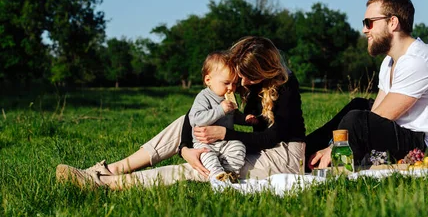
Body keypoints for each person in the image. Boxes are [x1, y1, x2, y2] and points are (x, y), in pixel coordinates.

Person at [56, 36, 306, 189]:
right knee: (185, 124)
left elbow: (272, 138)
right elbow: (194, 114)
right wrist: (186, 148)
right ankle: (112, 169)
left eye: (248, 77)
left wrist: (225, 134)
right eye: (239, 75)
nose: (241, 82)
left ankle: (108, 184)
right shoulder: (239, 78)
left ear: (265, 71)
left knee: (206, 169)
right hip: (254, 147)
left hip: (283, 157)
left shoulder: (285, 85)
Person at [307, 0, 428, 169]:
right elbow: (374, 114)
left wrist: (335, 145)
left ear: (392, 22)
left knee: (356, 122)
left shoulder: (417, 61)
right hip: (410, 132)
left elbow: (381, 117)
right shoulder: (390, 62)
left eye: (369, 22)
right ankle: (301, 150)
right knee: (358, 106)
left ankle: (328, 160)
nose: (364, 30)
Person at [188, 51, 255, 182]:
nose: (231, 88)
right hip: (205, 143)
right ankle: (218, 176)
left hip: (225, 141)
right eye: (226, 83)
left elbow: (233, 116)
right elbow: (196, 119)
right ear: (208, 80)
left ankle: (230, 172)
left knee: (239, 147)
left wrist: (245, 119)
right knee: (208, 156)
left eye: (234, 83)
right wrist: (220, 110)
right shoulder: (204, 97)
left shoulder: (228, 97)